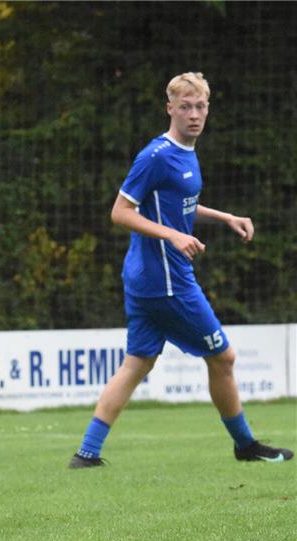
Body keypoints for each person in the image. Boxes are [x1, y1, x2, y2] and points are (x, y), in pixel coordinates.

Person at [69, 72, 292, 469]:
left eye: (200, 106)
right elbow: (120, 212)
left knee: (137, 362)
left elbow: (180, 206)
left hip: (145, 278)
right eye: (185, 107)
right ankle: (245, 445)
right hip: (166, 282)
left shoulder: (187, 153)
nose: (194, 114)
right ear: (170, 108)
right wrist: (172, 236)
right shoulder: (156, 156)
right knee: (223, 358)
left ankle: (87, 452)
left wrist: (225, 216)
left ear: (208, 109)